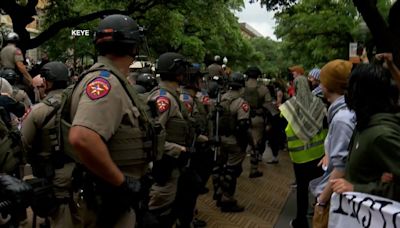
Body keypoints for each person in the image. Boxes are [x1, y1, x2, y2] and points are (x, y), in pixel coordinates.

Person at [68, 14, 150, 228]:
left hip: (110, 195)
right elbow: (82, 137)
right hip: (109, 199)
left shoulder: (110, 80)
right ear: (133, 46)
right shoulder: (107, 83)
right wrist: (121, 184)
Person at [21, 61, 82, 228]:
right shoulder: (81, 106)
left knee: (61, 215)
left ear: (47, 82)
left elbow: (22, 143)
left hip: (54, 174)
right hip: (82, 170)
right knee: (77, 213)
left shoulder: (38, 111)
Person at [331, 63, 400, 202]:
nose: (346, 94)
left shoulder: (381, 134)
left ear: (363, 93)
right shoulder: (365, 123)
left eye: (351, 88)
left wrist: (357, 189)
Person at [147, 52, 192, 227]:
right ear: (178, 72)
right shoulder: (164, 98)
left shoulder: (172, 96)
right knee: (159, 213)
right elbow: (152, 134)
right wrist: (177, 150)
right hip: (164, 167)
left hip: (171, 165)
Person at [310, 60, 356, 228]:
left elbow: (341, 167)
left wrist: (321, 202)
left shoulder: (341, 119)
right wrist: (329, 153)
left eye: (322, 81)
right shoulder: (346, 111)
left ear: (328, 86)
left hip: (334, 198)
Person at [279, 76, 327, 228]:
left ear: (295, 87)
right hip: (319, 153)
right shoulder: (319, 104)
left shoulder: (289, 107)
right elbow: (326, 125)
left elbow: (283, 124)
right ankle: (321, 215)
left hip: (300, 157)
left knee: (302, 188)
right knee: (320, 186)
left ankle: (301, 221)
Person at [213, 72, 250, 212]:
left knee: (220, 168)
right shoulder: (241, 103)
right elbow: (243, 125)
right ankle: (227, 199)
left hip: (220, 139)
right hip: (234, 141)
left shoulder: (220, 98)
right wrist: (244, 143)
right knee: (232, 170)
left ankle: (218, 193)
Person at [243, 66, 274, 177]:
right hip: (257, 119)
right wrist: (270, 122)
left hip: (242, 118)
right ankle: (253, 169)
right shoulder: (263, 88)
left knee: (241, 143)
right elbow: (269, 106)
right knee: (255, 145)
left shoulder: (242, 87)